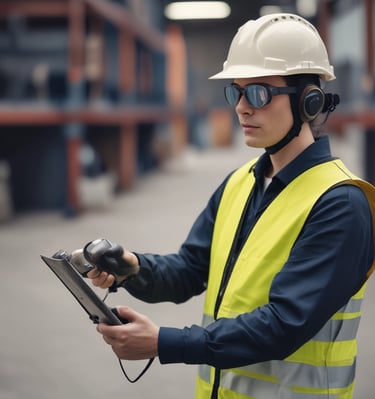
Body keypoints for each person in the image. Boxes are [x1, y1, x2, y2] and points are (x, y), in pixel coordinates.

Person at [79, 13, 375, 399]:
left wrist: (163, 343)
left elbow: (284, 324)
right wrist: (132, 268)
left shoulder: (340, 203)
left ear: (309, 101)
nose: (241, 108)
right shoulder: (239, 183)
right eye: (236, 92)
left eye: (258, 93)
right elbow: (189, 269)